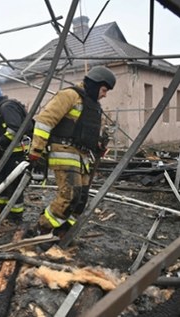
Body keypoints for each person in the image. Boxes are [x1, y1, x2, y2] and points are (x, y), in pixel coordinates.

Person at [28, 66, 116, 241]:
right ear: (95, 84)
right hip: (64, 152)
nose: (105, 95)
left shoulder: (92, 105)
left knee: (81, 200)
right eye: (104, 90)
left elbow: (85, 130)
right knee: (70, 195)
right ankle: (41, 230)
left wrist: (97, 145)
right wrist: (36, 151)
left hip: (82, 156)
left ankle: (62, 233)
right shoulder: (69, 95)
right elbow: (45, 121)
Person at [0, 84, 32, 222]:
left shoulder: (6, 107)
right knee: (1, 182)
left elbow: (15, 129)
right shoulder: (1, 108)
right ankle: (1, 212)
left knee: (14, 185)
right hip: (8, 154)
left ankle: (15, 218)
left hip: (16, 155)